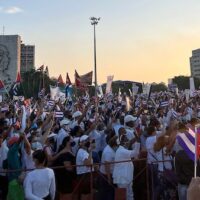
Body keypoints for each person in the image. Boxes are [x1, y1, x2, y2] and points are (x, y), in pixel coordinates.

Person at [113, 134, 140, 200]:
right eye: (126, 140)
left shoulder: (123, 150)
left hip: (126, 178)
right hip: (122, 179)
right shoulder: (121, 151)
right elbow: (135, 153)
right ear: (122, 142)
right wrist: (138, 142)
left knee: (129, 195)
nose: (128, 141)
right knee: (122, 196)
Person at [76, 135, 94, 199]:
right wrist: (91, 150)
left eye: (88, 140)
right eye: (86, 140)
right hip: (84, 175)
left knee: (88, 193)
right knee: (85, 194)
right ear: (81, 143)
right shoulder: (82, 152)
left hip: (86, 175)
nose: (88, 142)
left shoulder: (84, 151)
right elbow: (88, 164)